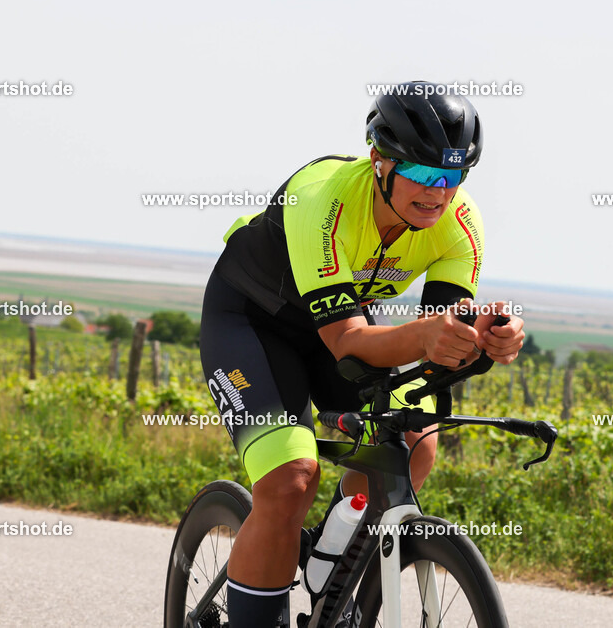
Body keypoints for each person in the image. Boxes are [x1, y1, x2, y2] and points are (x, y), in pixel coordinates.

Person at [199, 81, 525, 626]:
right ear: (379, 160)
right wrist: (428, 335)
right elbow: (350, 342)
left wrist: (488, 340)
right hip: (252, 322)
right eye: (421, 174)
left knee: (415, 442)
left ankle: (335, 569)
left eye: (452, 177)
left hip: (340, 321)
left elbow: (440, 340)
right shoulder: (322, 197)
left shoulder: (460, 225)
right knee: (290, 478)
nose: (436, 193)